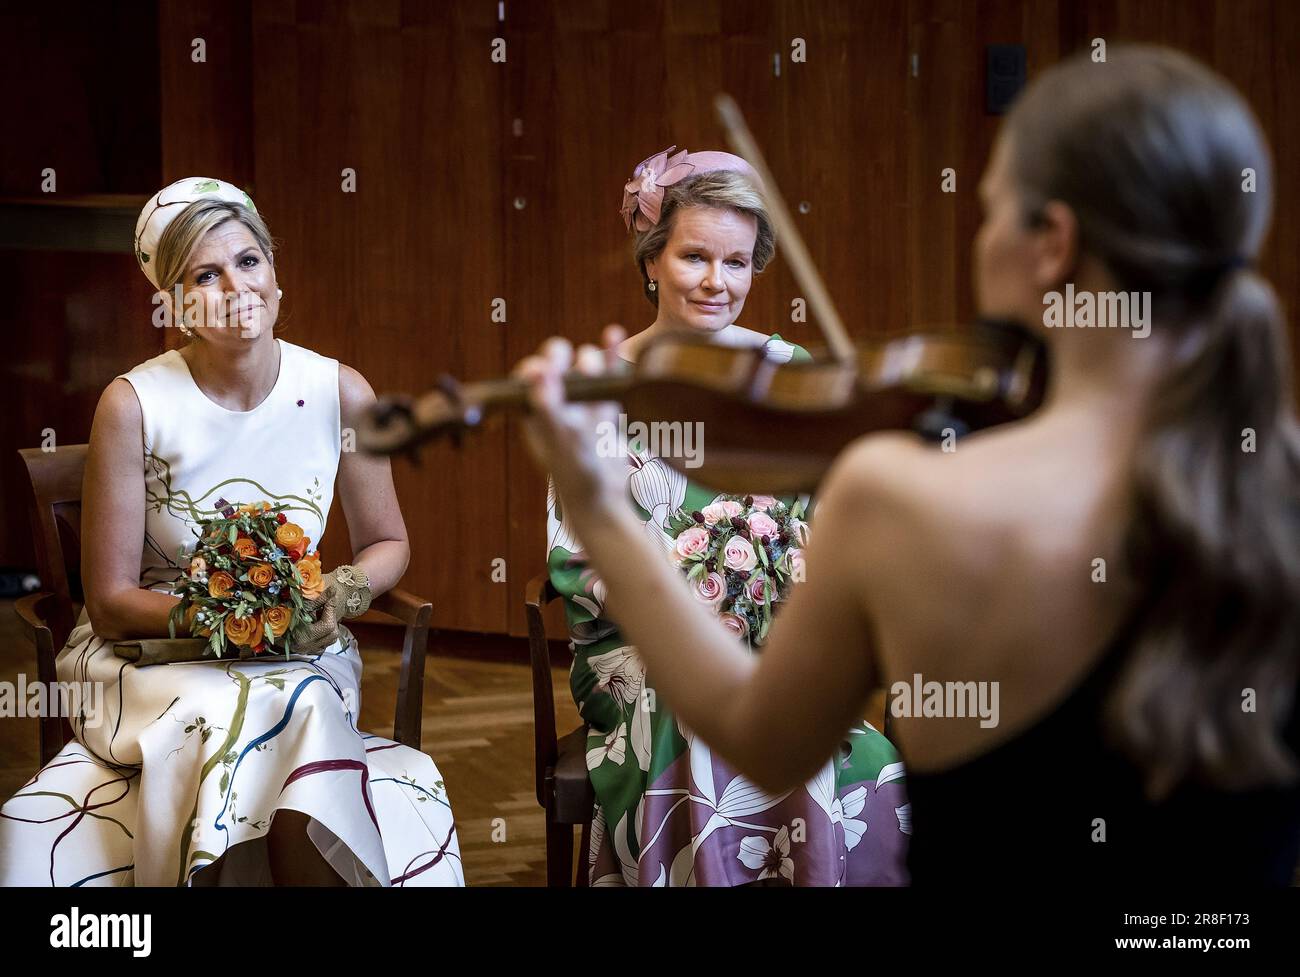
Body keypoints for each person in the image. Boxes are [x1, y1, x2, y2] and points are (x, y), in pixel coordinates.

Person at [519, 48, 1300, 884]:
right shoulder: (1274, 481)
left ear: (1053, 243)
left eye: (993, 207)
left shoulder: (902, 499)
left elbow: (765, 735)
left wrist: (600, 505)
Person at [0, 178, 464, 886]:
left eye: (249, 262)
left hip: (301, 654)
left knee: (297, 695)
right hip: (147, 662)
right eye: (205, 274)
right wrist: (234, 622)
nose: (236, 287)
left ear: (277, 276)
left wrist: (339, 590)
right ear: (176, 302)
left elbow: (388, 541)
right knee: (232, 704)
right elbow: (112, 600)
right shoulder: (132, 403)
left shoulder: (342, 392)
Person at [546, 147, 910, 886]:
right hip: (638, 657)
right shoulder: (599, 386)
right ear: (651, 261)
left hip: (779, 648)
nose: (718, 281)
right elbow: (575, 562)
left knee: (873, 762)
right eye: (695, 258)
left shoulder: (790, 374)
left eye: (737, 263)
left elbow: (831, 535)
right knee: (697, 710)